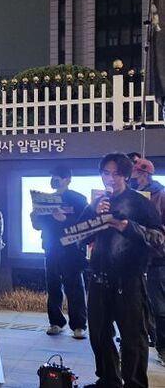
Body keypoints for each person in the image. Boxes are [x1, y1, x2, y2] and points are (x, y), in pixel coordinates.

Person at [80, 153, 161, 388]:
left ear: (126, 175)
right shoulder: (95, 204)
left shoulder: (140, 203)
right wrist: (95, 217)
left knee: (133, 337)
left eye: (116, 174)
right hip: (98, 278)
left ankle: (135, 383)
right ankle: (108, 380)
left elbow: (159, 239)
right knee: (99, 334)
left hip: (130, 280)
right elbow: (76, 238)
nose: (110, 178)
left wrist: (126, 226)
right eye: (106, 173)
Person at [30, 165, 88, 339]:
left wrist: (64, 219)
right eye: (53, 176)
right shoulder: (45, 199)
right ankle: (55, 322)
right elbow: (38, 225)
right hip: (51, 246)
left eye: (59, 176)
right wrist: (34, 218)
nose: (55, 179)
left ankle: (79, 325)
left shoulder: (78, 199)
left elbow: (85, 224)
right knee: (53, 286)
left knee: (74, 287)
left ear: (68, 179)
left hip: (72, 249)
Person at [131, 158, 165, 362]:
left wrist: (150, 230)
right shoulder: (132, 195)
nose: (131, 177)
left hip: (156, 257)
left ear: (144, 174)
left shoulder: (161, 195)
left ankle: (163, 347)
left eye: (134, 173)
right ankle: (140, 343)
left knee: (159, 306)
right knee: (136, 305)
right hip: (133, 256)